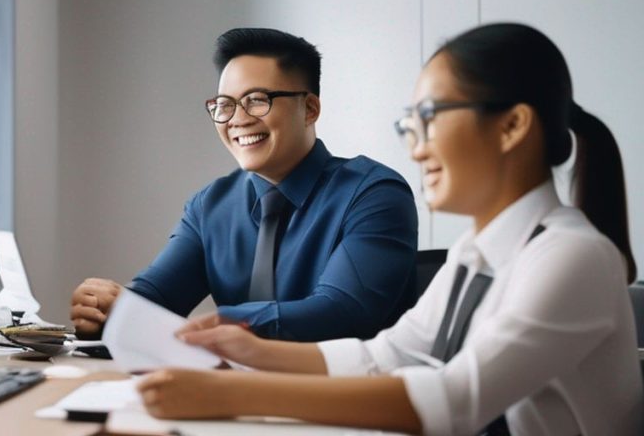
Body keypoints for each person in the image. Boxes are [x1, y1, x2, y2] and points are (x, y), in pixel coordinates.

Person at [136, 23, 643, 435]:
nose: (417, 147)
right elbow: (391, 354)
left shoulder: (572, 255)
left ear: (512, 127)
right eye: (411, 125)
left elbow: (456, 398)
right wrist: (252, 348)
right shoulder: (478, 251)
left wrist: (230, 393)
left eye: (431, 118)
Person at [71, 28, 418, 342]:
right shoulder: (210, 206)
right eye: (225, 104)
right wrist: (108, 310)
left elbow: (340, 312)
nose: (237, 119)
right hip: (229, 398)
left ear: (310, 108)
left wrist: (215, 325)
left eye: (256, 100)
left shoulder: (374, 194)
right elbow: (156, 296)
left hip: (338, 401)